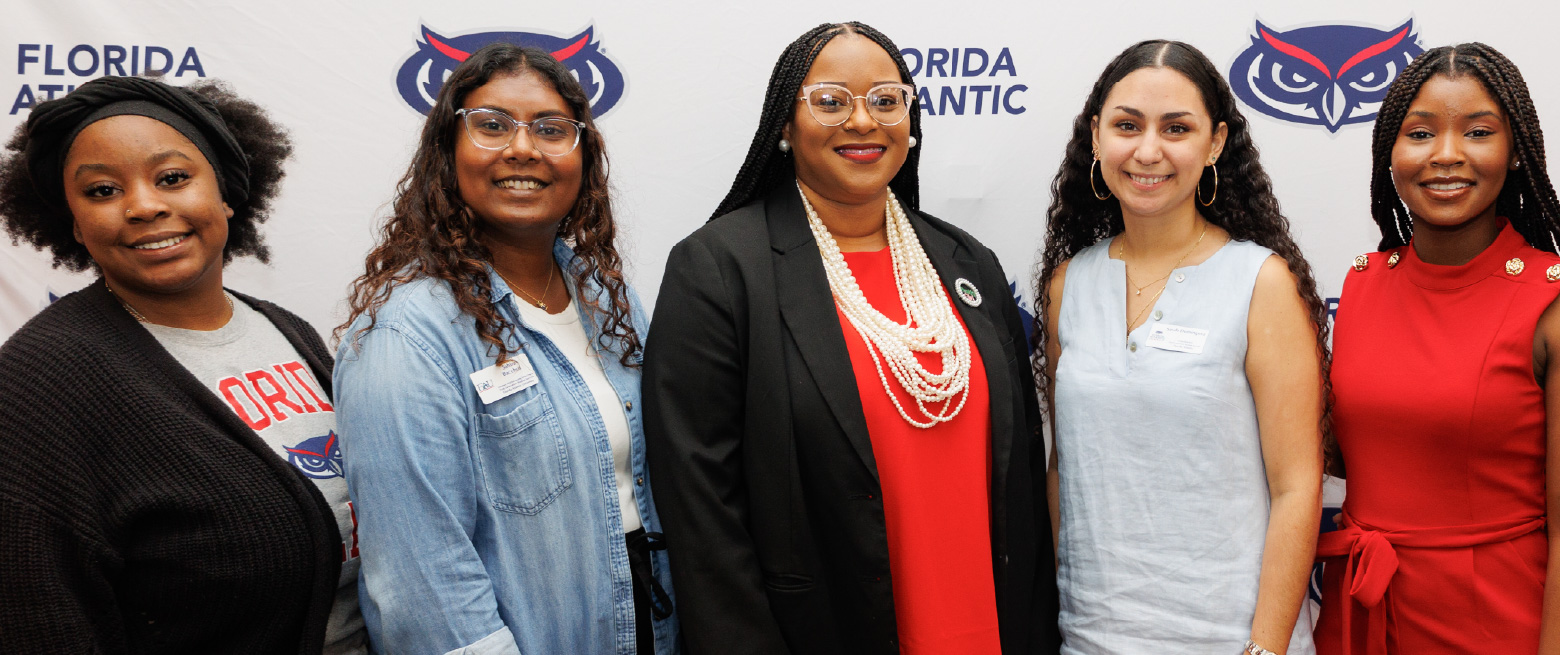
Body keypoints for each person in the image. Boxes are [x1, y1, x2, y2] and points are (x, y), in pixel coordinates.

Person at [643, 21, 1057, 655]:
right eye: (831, 101)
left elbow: (1021, 474)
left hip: (986, 627)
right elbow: (701, 511)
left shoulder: (966, 261)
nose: (863, 122)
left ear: (911, 122)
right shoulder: (721, 269)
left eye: (886, 101)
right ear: (784, 125)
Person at [333, 42, 676, 655]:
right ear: (448, 154)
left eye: (550, 129)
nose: (523, 148)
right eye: (491, 126)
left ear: (583, 158)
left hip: (647, 619)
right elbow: (421, 578)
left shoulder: (605, 297)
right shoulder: (405, 334)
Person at [0, 76, 363, 654]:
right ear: (73, 222)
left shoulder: (285, 328)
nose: (144, 206)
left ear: (225, 193)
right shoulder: (43, 379)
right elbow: (37, 618)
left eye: (172, 178)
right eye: (101, 191)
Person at [1314, 43, 1560, 654]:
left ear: (1514, 154)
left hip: (1495, 621)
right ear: (1390, 154)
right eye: (1421, 133)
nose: (1447, 155)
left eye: (1478, 132)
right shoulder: (1362, 282)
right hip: (1361, 620)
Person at [1033, 39, 1326, 655]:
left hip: (1229, 640)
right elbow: (1067, 472)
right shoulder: (1070, 285)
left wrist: (1266, 647)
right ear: (1096, 135)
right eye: (1127, 125)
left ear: (1215, 143)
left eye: (1177, 128)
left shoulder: (1261, 282)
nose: (1148, 151)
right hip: (1089, 638)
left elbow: (1298, 487)